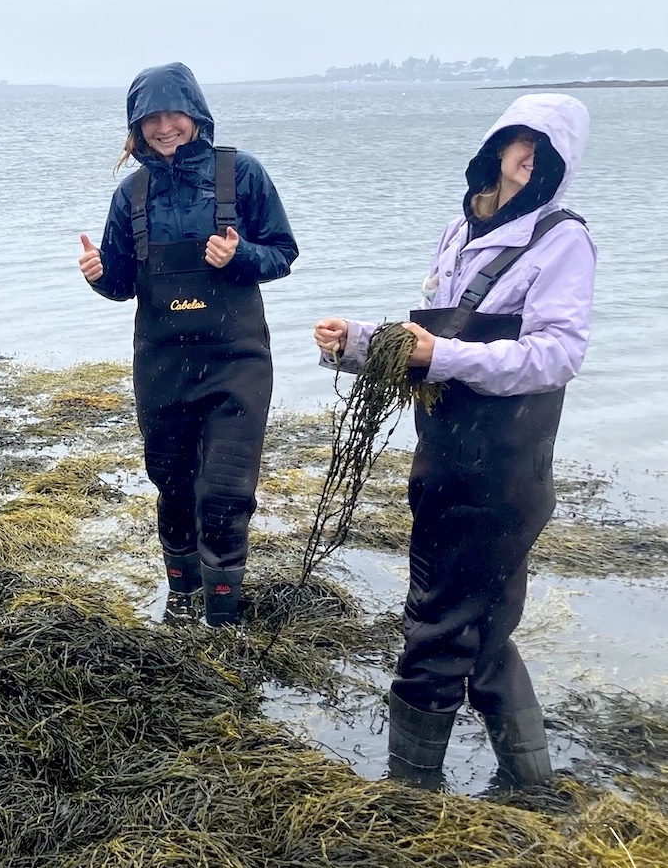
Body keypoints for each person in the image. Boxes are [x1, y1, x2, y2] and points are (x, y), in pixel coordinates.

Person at [313, 94, 596, 789]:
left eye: (544, 149)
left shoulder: (561, 239)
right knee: (486, 632)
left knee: (437, 630)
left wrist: (441, 356)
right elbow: (435, 342)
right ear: (494, 146)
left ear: (560, 164)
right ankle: (532, 786)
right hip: (444, 460)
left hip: (502, 471)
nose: (527, 157)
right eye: (518, 141)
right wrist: (354, 344)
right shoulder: (458, 230)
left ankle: (408, 797)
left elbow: (553, 356)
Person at [79, 63, 297, 626]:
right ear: (136, 126)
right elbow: (122, 283)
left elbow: (282, 252)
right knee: (173, 487)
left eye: (174, 113)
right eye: (150, 118)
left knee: (224, 492)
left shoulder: (241, 174)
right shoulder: (131, 193)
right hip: (163, 365)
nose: (164, 126)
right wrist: (99, 274)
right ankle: (181, 603)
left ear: (196, 114)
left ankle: (222, 618)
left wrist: (240, 255)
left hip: (236, 363)